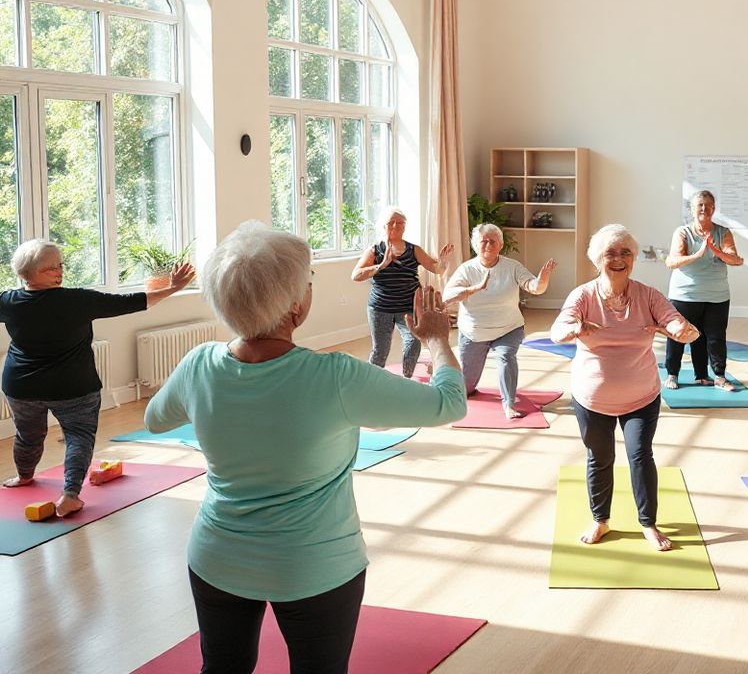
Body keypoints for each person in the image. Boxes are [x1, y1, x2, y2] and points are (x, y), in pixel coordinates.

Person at [145, 221, 466, 674]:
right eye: (310, 281)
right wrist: (436, 340)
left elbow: (155, 420)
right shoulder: (335, 376)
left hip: (218, 557)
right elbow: (449, 403)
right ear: (296, 308)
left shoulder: (199, 364)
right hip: (316, 567)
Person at [0, 239, 193, 517]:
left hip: (22, 385)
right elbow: (136, 302)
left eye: (60, 265)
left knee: (29, 435)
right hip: (72, 386)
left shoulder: (9, 302)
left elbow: (132, 301)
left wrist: (171, 288)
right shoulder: (78, 300)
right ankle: (68, 494)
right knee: (78, 436)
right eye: (50, 268)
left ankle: (26, 478)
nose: (59, 271)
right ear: (27, 272)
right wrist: (174, 287)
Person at [550, 224, 699, 552]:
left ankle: (648, 523)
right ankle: (600, 519)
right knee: (599, 458)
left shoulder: (647, 295)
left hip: (641, 396)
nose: (618, 259)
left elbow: (674, 320)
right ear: (596, 259)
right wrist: (575, 327)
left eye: (625, 253)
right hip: (592, 398)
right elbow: (557, 331)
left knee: (640, 455)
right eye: (610, 253)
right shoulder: (583, 296)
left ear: (633, 258)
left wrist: (677, 328)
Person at [442, 224, 556, 419]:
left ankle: (509, 404)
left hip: (508, 328)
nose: (487, 245)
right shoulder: (467, 270)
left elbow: (534, 287)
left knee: (506, 357)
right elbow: (447, 297)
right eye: (483, 241)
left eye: (492, 241)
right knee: (467, 386)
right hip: (474, 332)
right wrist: (473, 289)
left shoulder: (512, 267)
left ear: (501, 245)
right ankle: (440, 376)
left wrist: (543, 279)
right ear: (475, 245)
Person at [352, 207, 454, 376]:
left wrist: (443, 262)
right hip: (380, 308)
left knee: (413, 342)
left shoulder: (414, 250)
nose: (395, 225)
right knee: (380, 350)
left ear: (405, 226)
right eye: (391, 222)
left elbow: (436, 268)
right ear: (383, 226)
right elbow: (356, 275)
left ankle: (406, 378)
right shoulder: (375, 250)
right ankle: (370, 381)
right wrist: (381, 265)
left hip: (408, 307)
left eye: (400, 223)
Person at [663, 190, 744, 392]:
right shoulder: (683, 233)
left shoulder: (723, 233)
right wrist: (699, 253)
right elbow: (672, 261)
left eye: (708, 205)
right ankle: (672, 373)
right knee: (679, 335)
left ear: (714, 209)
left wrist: (714, 250)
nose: (704, 209)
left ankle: (714, 376)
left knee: (714, 337)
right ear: (692, 209)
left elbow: (736, 259)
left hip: (716, 295)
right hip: (685, 294)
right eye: (699, 204)